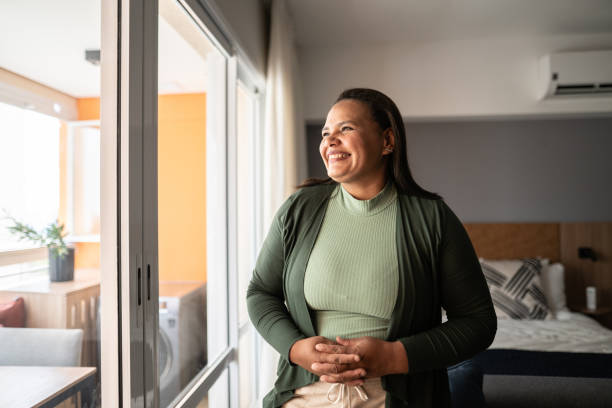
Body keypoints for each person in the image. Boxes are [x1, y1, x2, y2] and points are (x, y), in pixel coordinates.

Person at [246, 88, 496, 408]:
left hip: (395, 397)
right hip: (304, 394)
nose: (329, 140)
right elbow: (259, 292)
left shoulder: (433, 218)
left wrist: (395, 357)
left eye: (345, 129)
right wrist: (296, 349)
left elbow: (478, 322)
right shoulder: (299, 209)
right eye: (326, 132)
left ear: (388, 141)